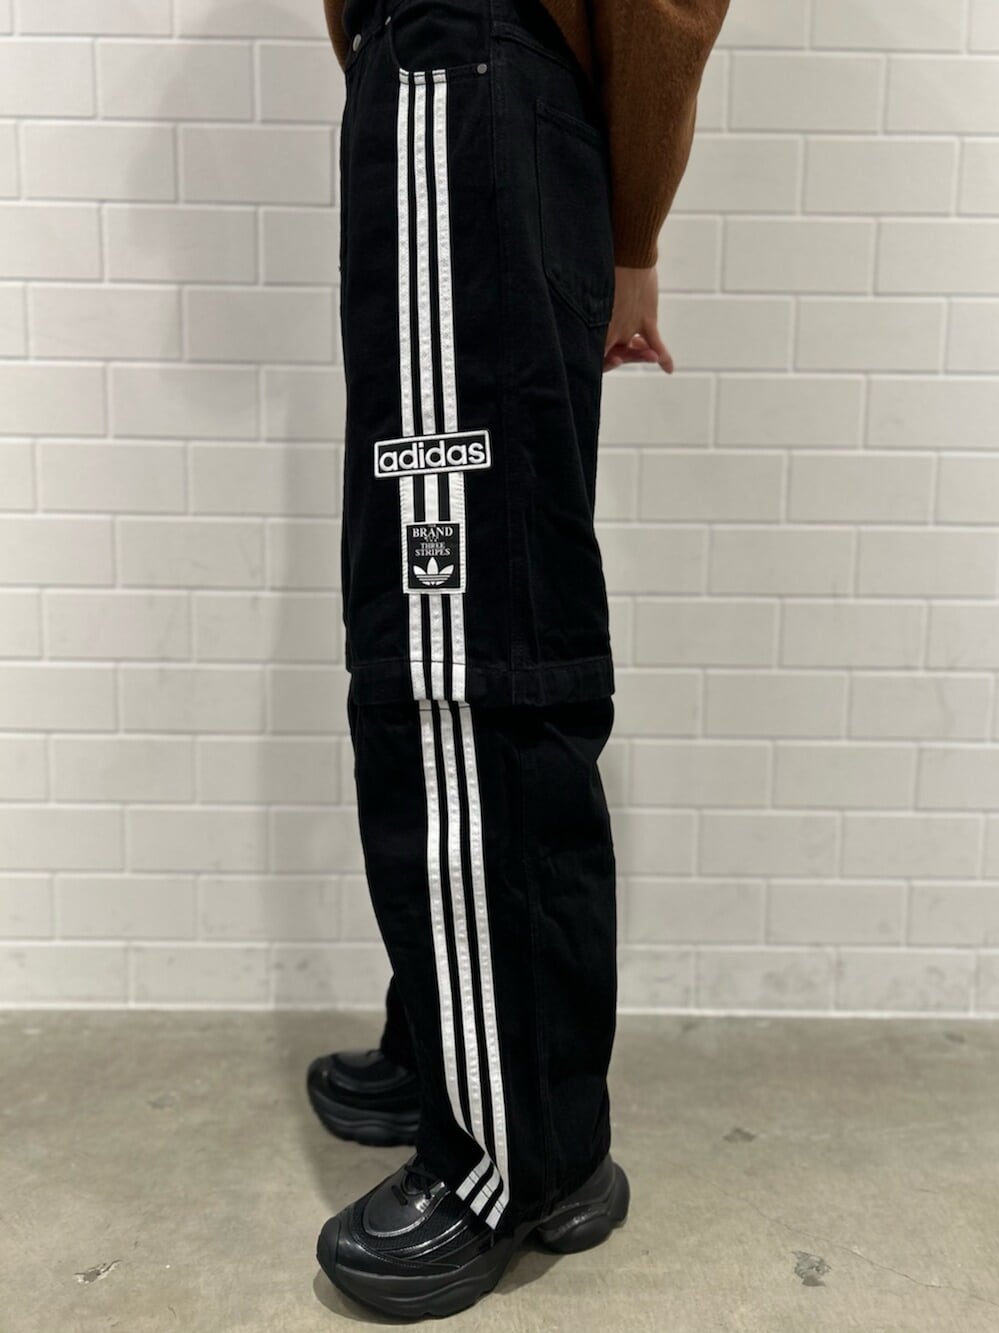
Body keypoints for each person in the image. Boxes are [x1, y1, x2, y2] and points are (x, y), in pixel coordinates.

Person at [311, 0, 730, 1318]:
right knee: (448, 600)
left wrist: (633, 227)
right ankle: (457, 1041)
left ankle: (520, 1151)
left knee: (467, 641)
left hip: (468, 89)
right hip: (451, 96)